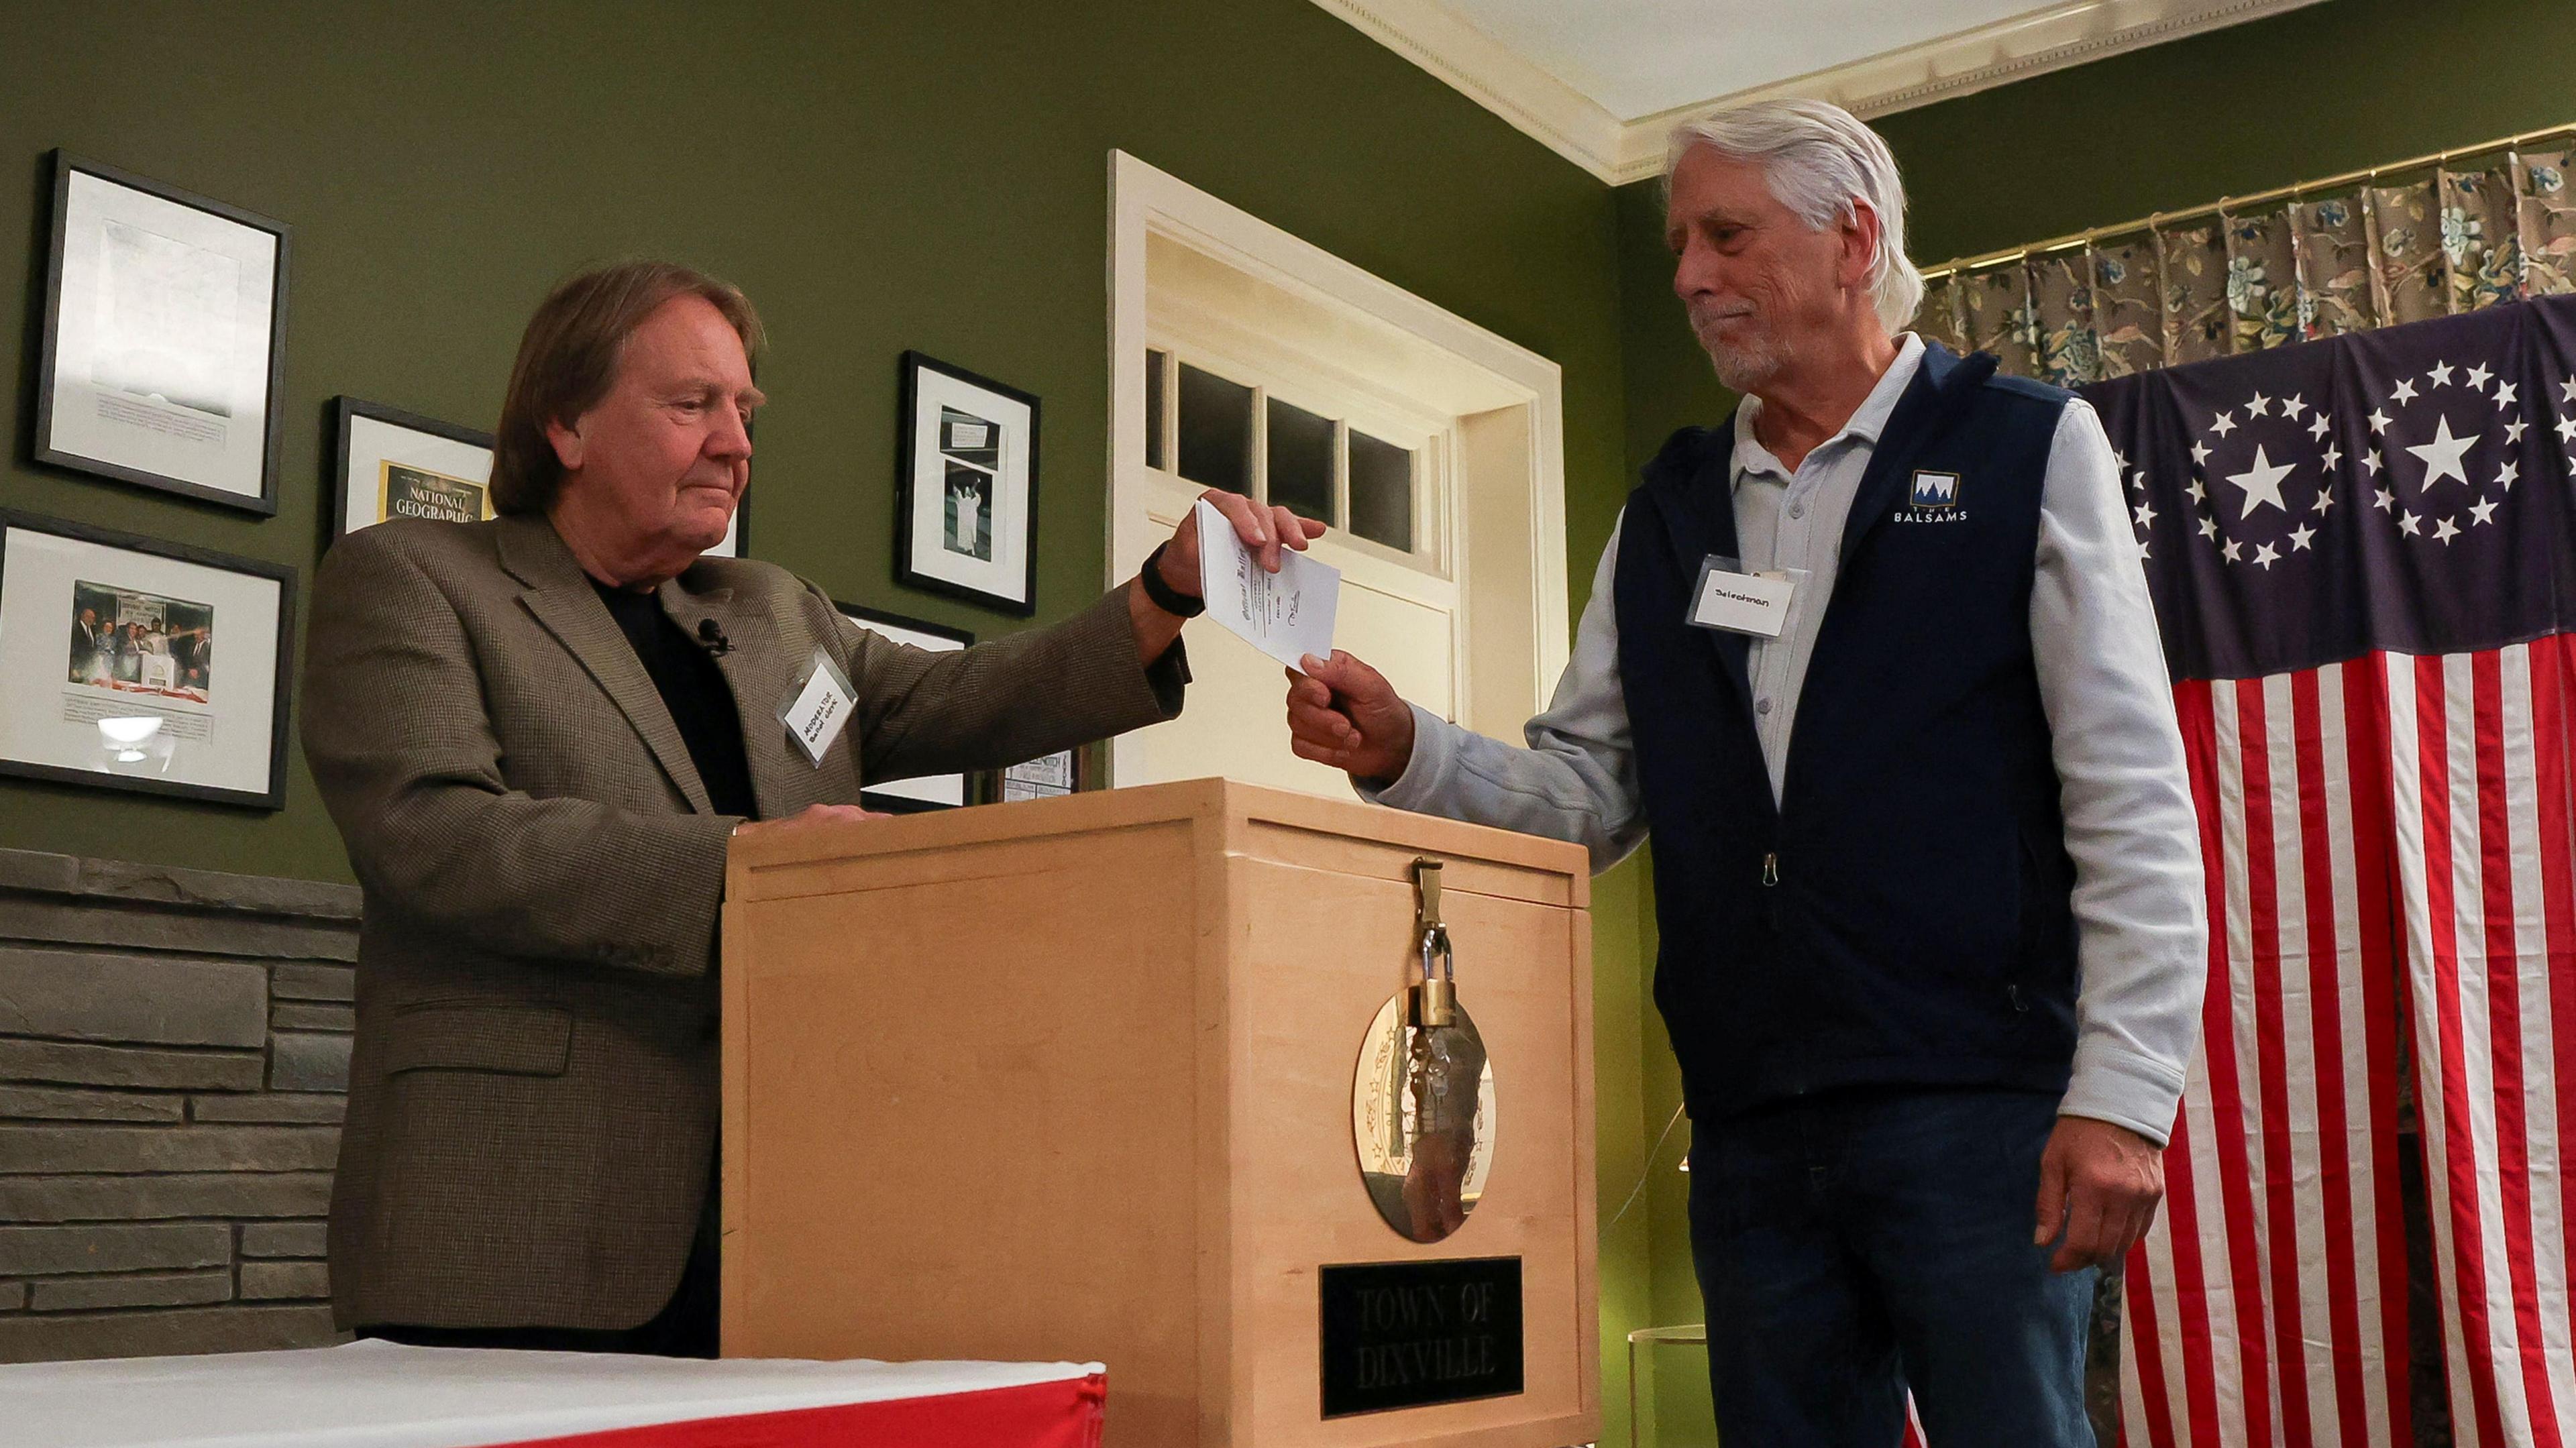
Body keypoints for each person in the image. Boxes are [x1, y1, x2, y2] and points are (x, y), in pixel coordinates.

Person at [1285, 99, 2205, 1447]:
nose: (1688, 278)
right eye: (1679, 245)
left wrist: (2123, 1095)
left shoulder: (2024, 448)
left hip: (1976, 1111)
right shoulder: (1667, 513)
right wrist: (1410, 749)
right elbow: (1589, 795)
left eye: (1726, 235)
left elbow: (2127, 791)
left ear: (1854, 240)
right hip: (1754, 1126)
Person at [302, 259, 1320, 1357]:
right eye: (692, 404)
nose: (735, 443)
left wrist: (1165, 592)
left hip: (798, 1219)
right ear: (566, 424)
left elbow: (962, 698)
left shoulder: (772, 611)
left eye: (743, 409)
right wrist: (756, 868)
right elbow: (434, 835)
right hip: (519, 1216)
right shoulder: (411, 575)